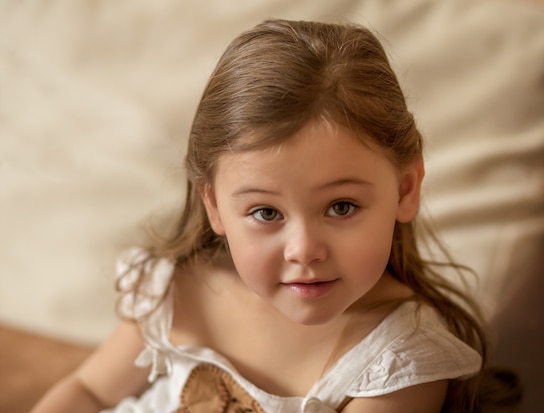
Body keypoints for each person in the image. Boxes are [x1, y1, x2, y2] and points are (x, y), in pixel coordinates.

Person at [31, 19, 489, 413]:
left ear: (406, 189)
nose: (305, 249)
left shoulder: (399, 361)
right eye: (266, 212)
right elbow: (88, 391)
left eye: (341, 207)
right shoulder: (183, 289)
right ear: (215, 206)